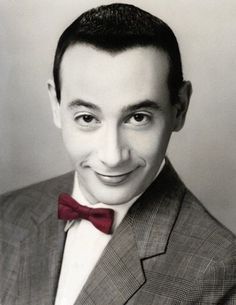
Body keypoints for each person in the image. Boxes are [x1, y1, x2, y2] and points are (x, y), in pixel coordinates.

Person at [0, 3, 235, 305]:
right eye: (87, 118)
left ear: (180, 108)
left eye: (138, 117)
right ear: (56, 106)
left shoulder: (221, 268)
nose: (112, 157)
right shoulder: (6, 215)